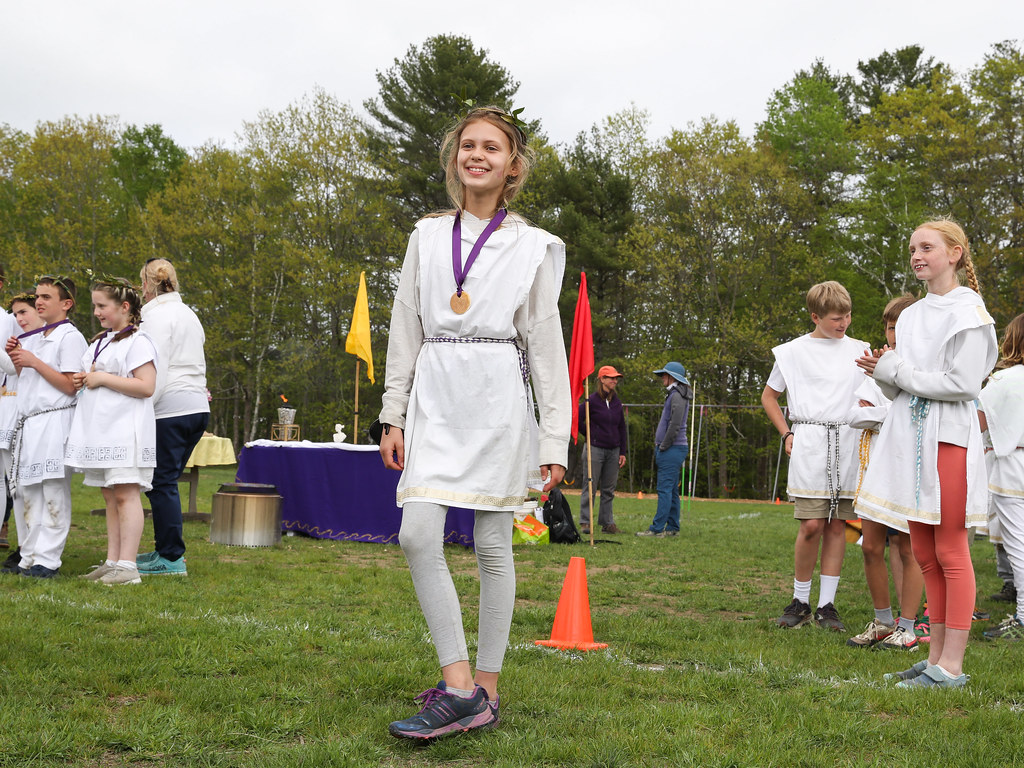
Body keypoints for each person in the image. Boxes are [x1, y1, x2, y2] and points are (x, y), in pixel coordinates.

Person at [377, 105, 569, 741]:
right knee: (417, 533)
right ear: (454, 156)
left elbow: (545, 344)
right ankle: (458, 683)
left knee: (492, 543)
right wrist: (393, 412)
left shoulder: (532, 245)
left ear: (512, 165)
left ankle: (485, 687)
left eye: (491, 147)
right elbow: (405, 323)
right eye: (467, 145)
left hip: (496, 396)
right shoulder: (427, 236)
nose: (476, 154)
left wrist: (554, 437)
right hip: (435, 392)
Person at [855, 220, 997, 688]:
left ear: (955, 253)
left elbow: (962, 385)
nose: (917, 255)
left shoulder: (969, 311)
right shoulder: (913, 314)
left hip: (948, 440)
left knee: (951, 551)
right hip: (909, 441)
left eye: (927, 247)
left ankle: (951, 666)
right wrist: (883, 371)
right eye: (912, 248)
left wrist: (897, 368)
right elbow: (902, 384)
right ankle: (933, 656)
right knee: (924, 552)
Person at [761, 281, 866, 632]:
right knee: (811, 525)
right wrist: (787, 433)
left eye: (848, 316)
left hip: (848, 442)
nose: (844, 323)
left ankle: (827, 606)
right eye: (837, 318)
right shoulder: (793, 352)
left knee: (838, 525)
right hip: (809, 442)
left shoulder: (861, 350)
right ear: (815, 316)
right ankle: (800, 601)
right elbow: (769, 397)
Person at [846, 295, 926, 650]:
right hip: (875, 468)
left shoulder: (920, 367)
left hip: (909, 469)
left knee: (908, 548)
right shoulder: (875, 365)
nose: (893, 333)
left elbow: (915, 413)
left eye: (900, 326)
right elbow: (857, 414)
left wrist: (885, 412)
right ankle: (881, 621)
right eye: (890, 326)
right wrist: (889, 412)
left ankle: (907, 627)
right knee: (870, 546)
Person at [66, 278, 157, 586]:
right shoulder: (104, 340)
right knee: (109, 495)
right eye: (95, 305)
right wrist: (85, 378)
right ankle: (113, 560)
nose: (96, 312)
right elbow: (99, 375)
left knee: (126, 494)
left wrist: (102, 378)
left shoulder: (138, 341)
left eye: (102, 306)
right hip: (102, 429)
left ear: (125, 307)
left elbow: (146, 386)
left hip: (125, 430)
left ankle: (129, 566)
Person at [5, 276, 88, 578]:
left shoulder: (69, 337)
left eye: (46, 297)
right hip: (30, 423)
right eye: (37, 296)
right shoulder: (35, 336)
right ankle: (29, 556)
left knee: (52, 490)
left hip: (54, 419)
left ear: (66, 304)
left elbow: (70, 386)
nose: (38, 302)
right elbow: (16, 374)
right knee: (29, 492)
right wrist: (15, 354)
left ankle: (48, 560)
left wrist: (34, 361)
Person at [136, 258, 209, 576]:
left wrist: (143, 407)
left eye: (141, 284)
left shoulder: (156, 317)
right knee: (164, 482)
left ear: (147, 286)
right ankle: (165, 550)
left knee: (160, 482)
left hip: (170, 407)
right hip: (197, 407)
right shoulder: (189, 314)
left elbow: (158, 367)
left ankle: (171, 557)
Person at [977, 313, 1024, 640]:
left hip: (1013, 466)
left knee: (1018, 545)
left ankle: (1022, 618)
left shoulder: (1002, 381)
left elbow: (974, 425)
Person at [0, 293, 41, 569]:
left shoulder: (41, 343)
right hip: (6, 411)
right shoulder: (22, 339)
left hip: (25, 417)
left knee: (26, 487)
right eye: (16, 314)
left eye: (24, 312)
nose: (19, 319)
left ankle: (31, 549)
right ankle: (23, 547)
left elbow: (13, 367)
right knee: (13, 488)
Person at [637, 361, 691, 538]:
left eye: (664, 375)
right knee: (672, 490)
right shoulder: (676, 394)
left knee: (664, 490)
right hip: (674, 448)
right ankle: (673, 527)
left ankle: (656, 529)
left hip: (672, 449)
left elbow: (674, 425)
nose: (662, 379)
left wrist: (664, 446)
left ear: (672, 377)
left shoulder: (676, 396)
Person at [578, 364, 627, 534]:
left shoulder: (616, 402)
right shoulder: (590, 401)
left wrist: (623, 451)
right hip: (594, 449)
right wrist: (590, 435)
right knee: (589, 486)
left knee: (608, 489)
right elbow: (577, 419)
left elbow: (622, 427)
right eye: (612, 378)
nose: (615, 381)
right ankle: (585, 522)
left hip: (613, 451)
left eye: (616, 378)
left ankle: (607, 523)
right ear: (602, 379)